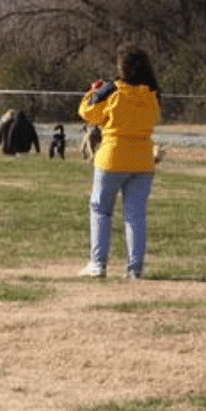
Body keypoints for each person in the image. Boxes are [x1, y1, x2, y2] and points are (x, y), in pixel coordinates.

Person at [78, 45, 162, 280]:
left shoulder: (112, 90)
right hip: (143, 161)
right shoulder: (152, 93)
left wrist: (92, 92)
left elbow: (88, 113)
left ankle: (98, 264)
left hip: (113, 158)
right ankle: (135, 269)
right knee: (136, 215)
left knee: (101, 210)